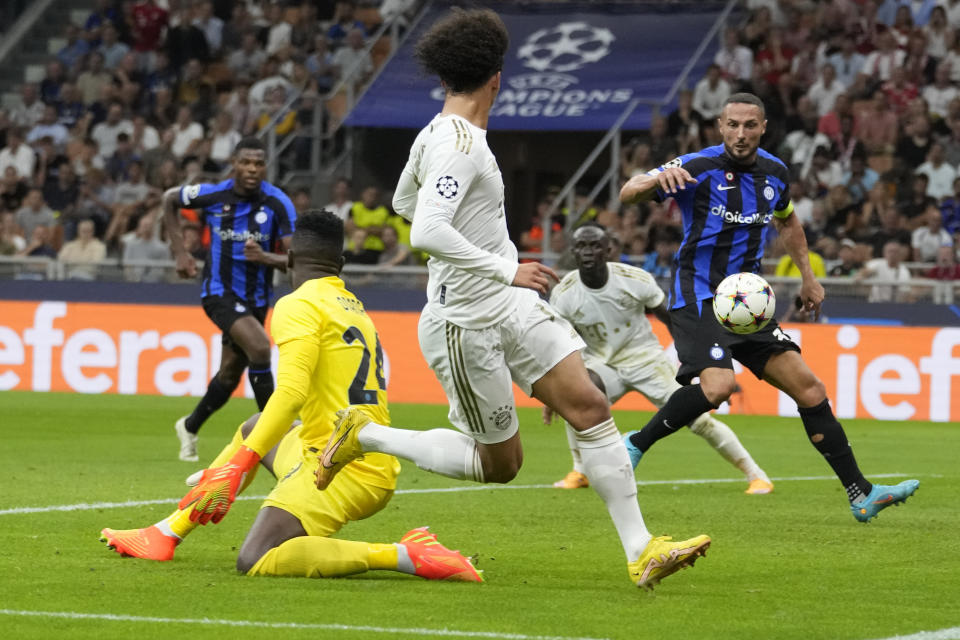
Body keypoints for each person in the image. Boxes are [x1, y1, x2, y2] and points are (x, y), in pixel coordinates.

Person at [312, 8, 710, 590]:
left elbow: (404, 202)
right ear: (497, 76)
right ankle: (363, 434)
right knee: (500, 465)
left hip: (507, 304)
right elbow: (423, 229)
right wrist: (503, 265)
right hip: (464, 321)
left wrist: (483, 255)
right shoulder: (457, 144)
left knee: (590, 405)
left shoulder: (437, 135)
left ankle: (642, 549)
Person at [101, 210, 480, 582]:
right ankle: (166, 533)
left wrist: (236, 467)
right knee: (254, 427)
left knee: (257, 558)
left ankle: (405, 554)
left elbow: (291, 393)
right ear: (341, 263)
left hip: (339, 468)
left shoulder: (298, 304)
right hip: (361, 452)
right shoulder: (353, 307)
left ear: (290, 259)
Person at [618, 92, 919, 523]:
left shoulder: (775, 173)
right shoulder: (695, 167)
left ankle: (862, 493)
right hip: (699, 294)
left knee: (811, 390)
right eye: (733, 125)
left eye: (750, 125)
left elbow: (788, 220)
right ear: (720, 127)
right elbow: (629, 192)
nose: (741, 134)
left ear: (763, 127)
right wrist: (651, 182)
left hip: (748, 305)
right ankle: (635, 445)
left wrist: (808, 277)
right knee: (719, 387)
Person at [547, 224, 773, 494]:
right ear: (573, 251)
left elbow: (671, 320)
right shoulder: (564, 295)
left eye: (595, 245)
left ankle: (756, 475)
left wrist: (695, 364)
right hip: (602, 363)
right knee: (578, 396)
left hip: (646, 359)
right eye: (581, 246)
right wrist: (555, 388)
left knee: (699, 420)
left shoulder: (635, 279)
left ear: (609, 250)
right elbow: (557, 342)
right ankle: (580, 471)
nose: (588, 252)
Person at [162, 137, 296, 462]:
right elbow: (169, 199)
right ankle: (277, 435)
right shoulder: (212, 194)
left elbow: (297, 258)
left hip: (258, 299)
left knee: (230, 373)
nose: (252, 169)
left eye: (258, 163)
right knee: (261, 349)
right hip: (219, 293)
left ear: (265, 166)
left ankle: (190, 426)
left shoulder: (278, 203)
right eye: (246, 162)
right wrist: (180, 252)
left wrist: (265, 257)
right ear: (234, 163)